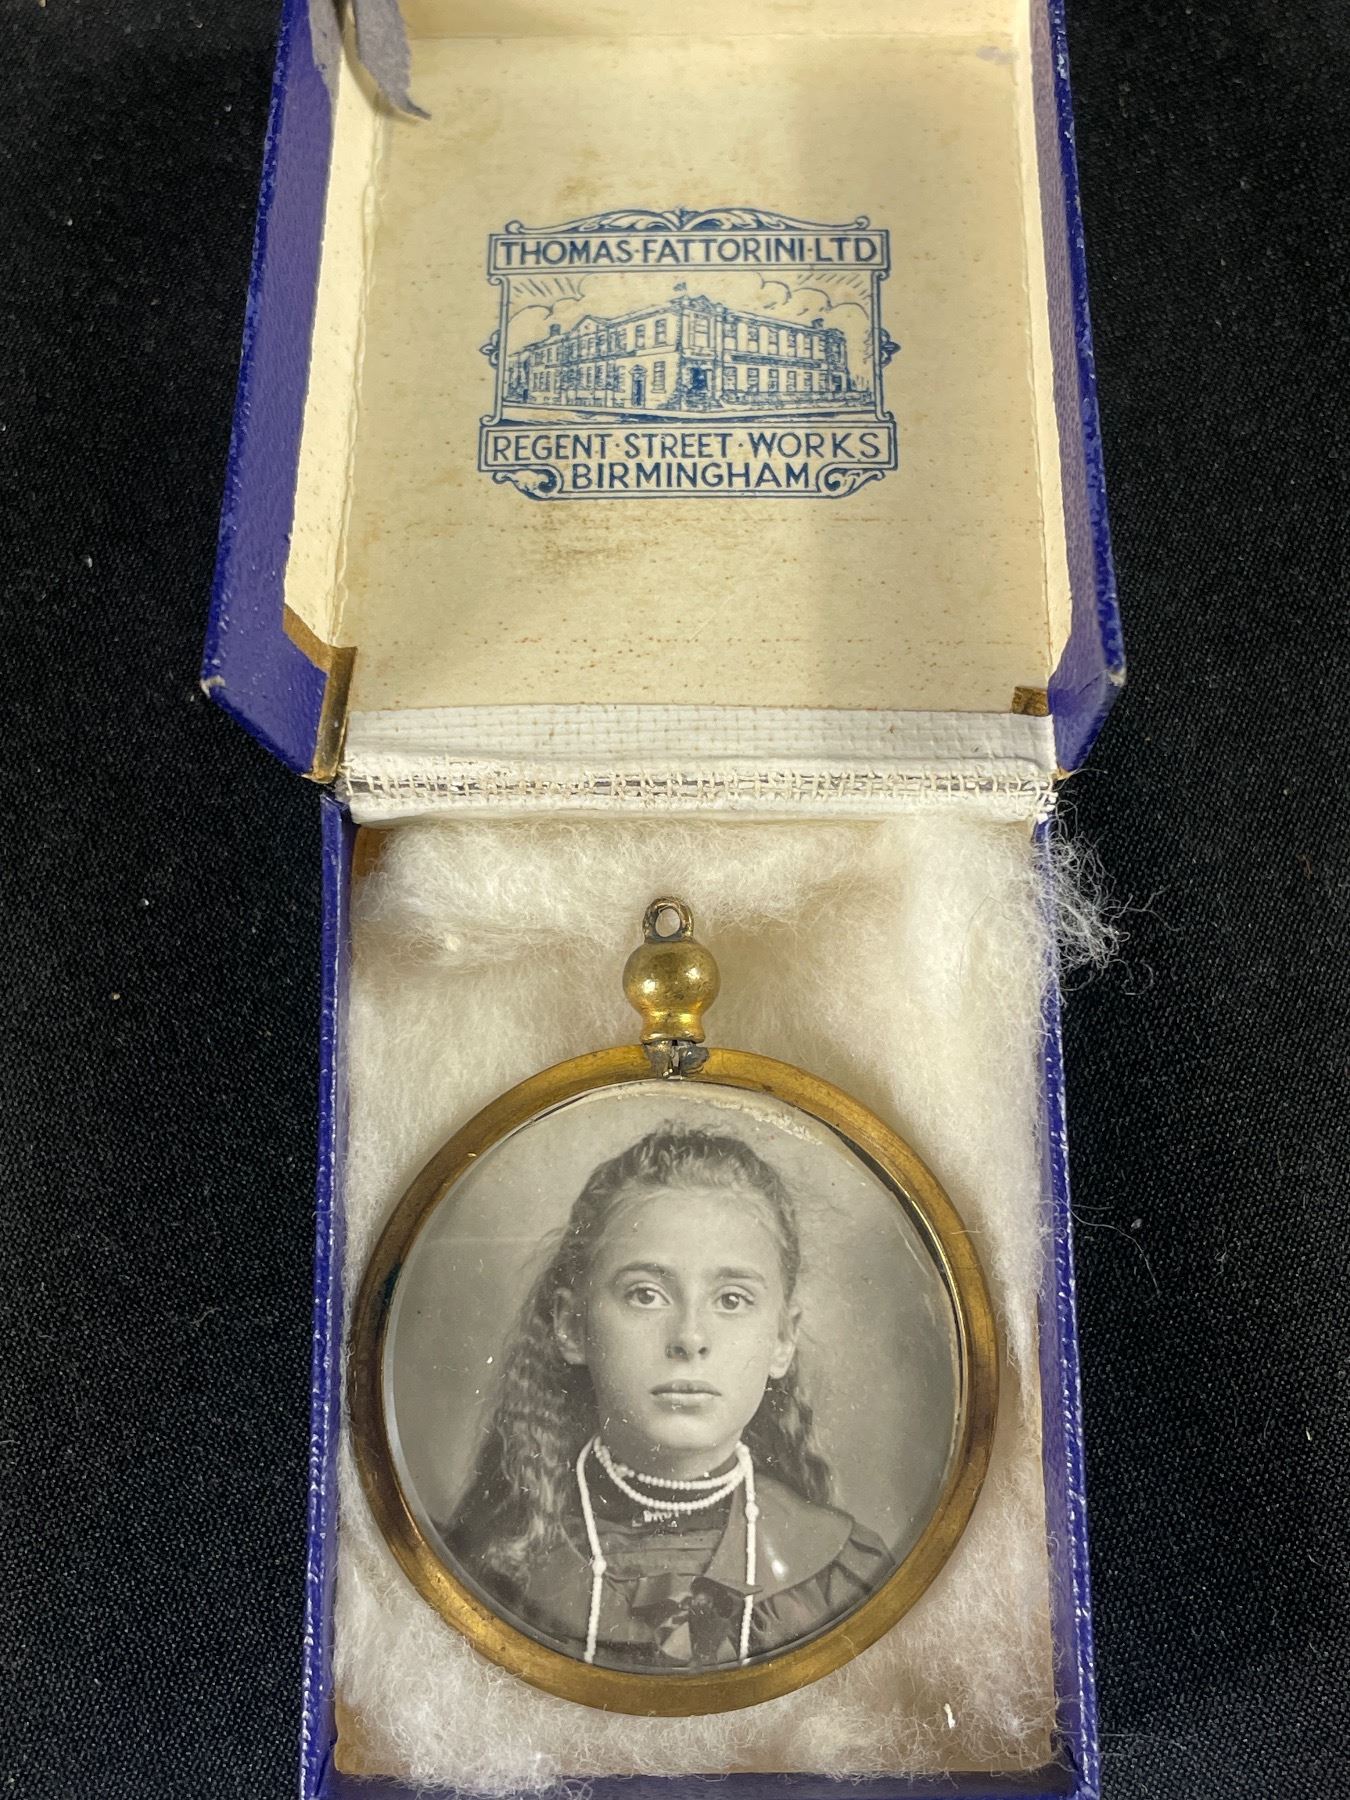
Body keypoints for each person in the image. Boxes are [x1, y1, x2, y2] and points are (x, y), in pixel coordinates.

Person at [440, 1124, 894, 1672]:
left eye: (732, 1299)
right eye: (646, 1294)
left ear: (782, 1339)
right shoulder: (487, 1568)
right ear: (571, 1326)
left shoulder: (844, 1574)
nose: (690, 1337)